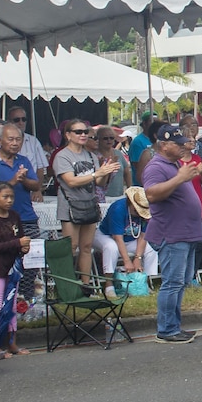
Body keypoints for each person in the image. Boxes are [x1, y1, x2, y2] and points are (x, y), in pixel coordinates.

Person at [142, 124, 202, 343]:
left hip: (186, 233)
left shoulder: (175, 164)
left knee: (180, 282)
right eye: (177, 144)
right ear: (163, 145)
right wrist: (180, 178)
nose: (182, 147)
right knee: (172, 282)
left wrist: (190, 175)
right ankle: (167, 329)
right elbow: (151, 194)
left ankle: (174, 326)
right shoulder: (156, 167)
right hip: (172, 234)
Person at [52, 121, 119, 294]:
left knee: (87, 246)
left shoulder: (90, 156)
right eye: (78, 132)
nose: (83, 135)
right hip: (70, 205)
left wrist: (106, 172)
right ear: (68, 135)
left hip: (89, 203)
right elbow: (71, 181)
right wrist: (97, 173)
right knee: (71, 246)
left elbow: (99, 183)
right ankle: (67, 285)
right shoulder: (62, 156)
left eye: (86, 132)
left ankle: (86, 284)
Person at [0, 181, 31, 359]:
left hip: (13, 266)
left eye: (11, 197)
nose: (9, 200)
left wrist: (24, 248)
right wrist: (17, 243)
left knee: (11, 305)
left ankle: (11, 343)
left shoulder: (15, 216)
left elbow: (21, 238)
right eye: (5, 197)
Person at [0, 123, 42, 236]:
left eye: (18, 140)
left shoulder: (24, 161)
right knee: (5, 252)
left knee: (33, 252)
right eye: (10, 139)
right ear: (0, 141)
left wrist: (23, 179)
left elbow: (36, 185)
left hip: (26, 217)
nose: (15, 143)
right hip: (0, 219)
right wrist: (11, 182)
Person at [97, 186, 157, 278]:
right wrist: (127, 261)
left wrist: (138, 258)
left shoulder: (146, 212)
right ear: (131, 203)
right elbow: (118, 238)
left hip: (130, 239)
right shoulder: (118, 208)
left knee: (151, 249)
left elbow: (143, 236)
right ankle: (109, 283)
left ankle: (146, 280)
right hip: (107, 235)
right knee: (111, 247)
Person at [5, 107, 50, 192]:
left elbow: (40, 169)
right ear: (9, 122)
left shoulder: (34, 141)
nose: (21, 123)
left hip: (30, 191)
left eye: (23, 119)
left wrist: (38, 190)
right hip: (5, 191)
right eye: (17, 120)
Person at [93, 126, 130, 198]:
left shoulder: (118, 153)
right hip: (101, 197)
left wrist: (129, 190)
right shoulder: (94, 155)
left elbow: (127, 173)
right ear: (98, 139)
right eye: (105, 138)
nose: (109, 140)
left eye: (111, 138)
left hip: (119, 195)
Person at [128, 113, 159, 184]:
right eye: (152, 122)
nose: (154, 125)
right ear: (144, 124)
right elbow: (137, 165)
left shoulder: (158, 141)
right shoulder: (137, 141)